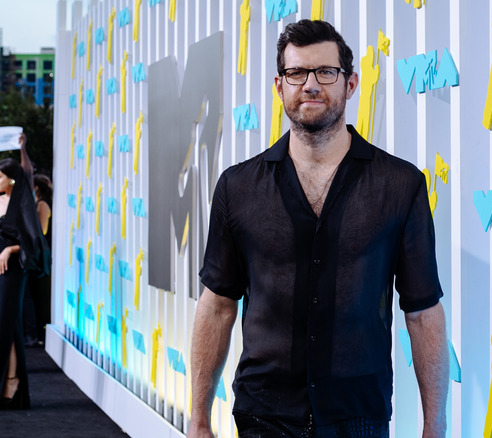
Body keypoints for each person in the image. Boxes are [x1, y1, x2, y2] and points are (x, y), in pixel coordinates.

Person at [190, 20, 448, 438]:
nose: (310, 85)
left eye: (326, 72)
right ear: (280, 86)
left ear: (350, 84)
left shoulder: (401, 185)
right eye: (296, 73)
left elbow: (422, 313)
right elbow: (218, 305)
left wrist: (435, 426)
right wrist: (198, 419)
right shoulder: (237, 188)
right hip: (262, 419)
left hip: (359, 419)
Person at [0, 151, 49, 410]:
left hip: (11, 273)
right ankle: (7, 381)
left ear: (11, 179)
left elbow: (35, 242)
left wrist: (10, 249)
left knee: (5, 327)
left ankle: (11, 381)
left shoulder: (22, 204)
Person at [23, 174, 53, 346]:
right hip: (37, 252)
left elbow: (42, 230)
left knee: (38, 294)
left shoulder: (42, 205)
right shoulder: (38, 203)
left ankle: (37, 333)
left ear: (36, 189)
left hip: (40, 253)